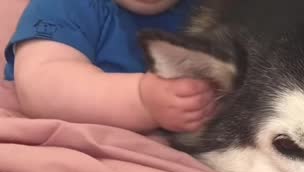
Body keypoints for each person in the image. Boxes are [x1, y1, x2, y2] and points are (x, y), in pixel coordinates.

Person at [3, 0, 217, 133]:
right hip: (68, 140)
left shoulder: (204, 10)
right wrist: (140, 100)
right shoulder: (65, 4)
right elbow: (42, 85)